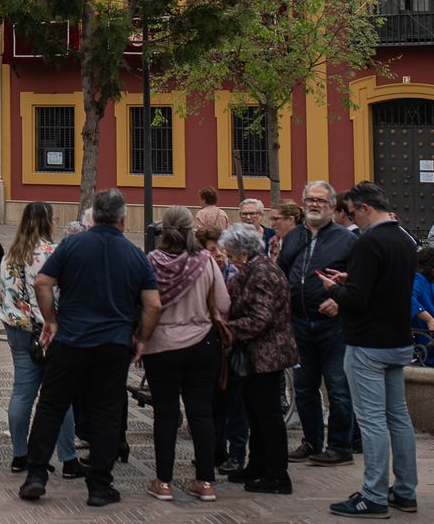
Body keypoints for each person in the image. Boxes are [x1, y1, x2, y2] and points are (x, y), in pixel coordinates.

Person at [20, 189, 161, 507]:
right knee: (106, 412)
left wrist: (51, 321)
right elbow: (153, 304)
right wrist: (141, 337)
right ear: (124, 220)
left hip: (70, 340)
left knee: (51, 406)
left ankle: (36, 475)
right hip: (113, 344)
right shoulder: (134, 253)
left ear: (94, 216)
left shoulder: (72, 244)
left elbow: (43, 283)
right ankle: (99, 485)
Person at [315, 181, 419, 518]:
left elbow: (357, 300)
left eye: (352, 213)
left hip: (367, 343)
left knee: (372, 421)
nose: (351, 220)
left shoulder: (368, 242)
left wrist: (335, 288)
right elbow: (384, 285)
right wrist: (352, 280)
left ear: (363, 208)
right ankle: (405, 490)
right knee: (399, 417)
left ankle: (373, 495)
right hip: (398, 339)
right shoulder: (405, 239)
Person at [142, 205, 229, 502]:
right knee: (202, 413)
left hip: (162, 346)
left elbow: (142, 303)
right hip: (202, 344)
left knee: (165, 414)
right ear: (192, 230)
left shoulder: (152, 262)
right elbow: (224, 303)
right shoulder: (205, 260)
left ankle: (163, 482)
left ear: (163, 231)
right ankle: (205, 482)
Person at [277, 179, 356, 467]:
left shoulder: (347, 240)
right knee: (304, 386)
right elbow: (282, 270)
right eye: (310, 199)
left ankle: (340, 446)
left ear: (332, 206)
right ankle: (311, 441)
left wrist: (339, 300)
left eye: (320, 201)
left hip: (332, 326)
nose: (314, 204)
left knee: (337, 385)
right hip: (299, 322)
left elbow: (359, 282)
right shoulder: (294, 236)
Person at [0, 202, 78, 476]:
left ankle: (19, 455)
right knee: (58, 396)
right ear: (47, 222)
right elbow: (62, 294)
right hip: (50, 331)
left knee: (21, 392)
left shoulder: (9, 257)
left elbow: (4, 294)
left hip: (18, 330)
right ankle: (68, 457)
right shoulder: (53, 254)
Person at [222, 221, 297, 497]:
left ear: (242, 252)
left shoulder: (263, 272)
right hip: (257, 354)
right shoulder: (253, 269)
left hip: (267, 353)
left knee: (268, 416)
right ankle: (257, 465)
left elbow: (260, 318)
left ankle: (277, 475)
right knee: (255, 411)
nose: (230, 259)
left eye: (231, 254)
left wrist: (227, 330)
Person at [409, 245, 434, 366]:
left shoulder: (433, 285)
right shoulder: (419, 280)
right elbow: (407, 298)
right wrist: (429, 319)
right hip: (433, 348)